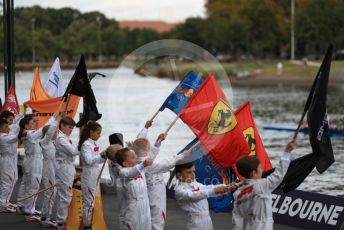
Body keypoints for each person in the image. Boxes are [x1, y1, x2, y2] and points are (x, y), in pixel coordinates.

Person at [232, 140, 295, 230]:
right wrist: (287, 153)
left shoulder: (237, 193)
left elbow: (237, 220)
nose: (262, 170)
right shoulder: (262, 186)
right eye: (260, 168)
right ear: (254, 173)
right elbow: (278, 174)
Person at [17, 113, 58, 222]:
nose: (35, 123)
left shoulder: (27, 133)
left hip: (29, 160)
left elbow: (42, 129)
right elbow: (43, 130)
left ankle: (21, 206)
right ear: (26, 125)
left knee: (25, 184)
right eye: (33, 122)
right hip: (34, 162)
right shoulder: (30, 134)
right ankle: (29, 212)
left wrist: (54, 117)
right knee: (33, 187)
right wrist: (54, 118)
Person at [174, 161, 237, 230]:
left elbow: (208, 187)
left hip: (207, 220)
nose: (193, 174)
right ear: (179, 175)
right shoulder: (179, 190)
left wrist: (226, 187)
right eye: (189, 172)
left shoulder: (195, 184)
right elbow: (195, 196)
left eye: (194, 172)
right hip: (195, 222)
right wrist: (215, 190)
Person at [115, 147, 153, 230]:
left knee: (146, 227)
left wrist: (158, 143)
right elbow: (130, 174)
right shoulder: (123, 172)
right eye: (133, 157)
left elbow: (150, 157)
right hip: (133, 206)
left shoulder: (139, 168)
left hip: (145, 203)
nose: (135, 157)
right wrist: (143, 164)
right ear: (125, 163)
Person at [78, 121, 106, 229]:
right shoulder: (85, 145)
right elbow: (89, 161)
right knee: (89, 202)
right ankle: (87, 225)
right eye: (98, 133)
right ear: (91, 132)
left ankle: (91, 223)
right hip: (89, 175)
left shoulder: (95, 144)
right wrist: (100, 155)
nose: (99, 135)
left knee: (93, 201)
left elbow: (97, 160)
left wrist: (103, 157)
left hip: (95, 173)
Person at [55, 116, 80, 230]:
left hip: (68, 167)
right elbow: (73, 151)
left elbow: (73, 152)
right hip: (64, 168)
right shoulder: (61, 138)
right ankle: (61, 222)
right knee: (66, 196)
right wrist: (83, 145)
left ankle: (63, 220)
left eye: (72, 128)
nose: (71, 130)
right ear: (62, 126)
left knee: (65, 195)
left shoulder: (65, 137)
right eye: (69, 127)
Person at [0, 110, 24, 210]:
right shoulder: (2, 137)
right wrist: (23, 129)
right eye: (6, 127)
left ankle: (5, 201)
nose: (8, 128)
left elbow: (15, 126)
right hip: (6, 161)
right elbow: (16, 137)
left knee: (13, 180)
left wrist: (21, 116)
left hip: (11, 159)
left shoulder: (5, 134)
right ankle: (2, 204)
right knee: (7, 183)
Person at [39, 124, 58, 228]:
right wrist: (57, 120)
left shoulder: (53, 143)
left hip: (53, 169)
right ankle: (45, 218)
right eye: (55, 132)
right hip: (48, 170)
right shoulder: (44, 142)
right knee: (50, 193)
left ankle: (46, 216)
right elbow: (49, 132)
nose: (56, 133)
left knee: (52, 193)